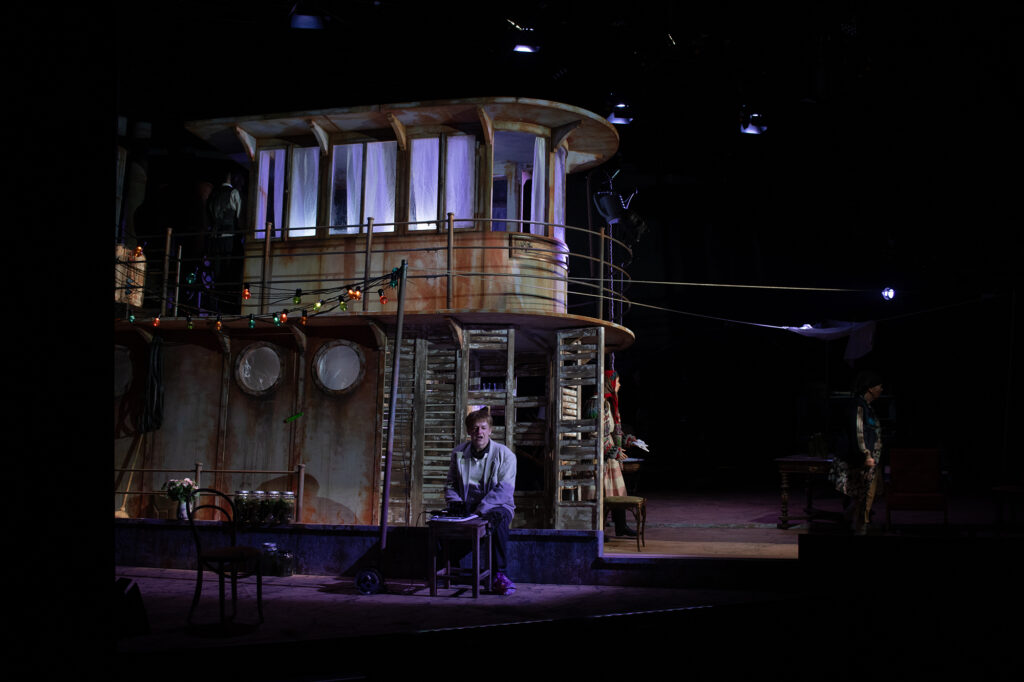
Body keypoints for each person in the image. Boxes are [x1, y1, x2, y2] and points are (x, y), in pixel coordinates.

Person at [445, 406, 517, 595]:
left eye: (484, 428)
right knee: (441, 521)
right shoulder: (458, 453)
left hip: (497, 505)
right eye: (475, 428)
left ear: (490, 430)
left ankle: (499, 575)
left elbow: (504, 490)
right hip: (467, 505)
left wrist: (479, 510)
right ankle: (450, 571)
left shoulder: (505, 455)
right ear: (469, 431)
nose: (480, 432)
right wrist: (456, 503)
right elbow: (450, 483)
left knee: (497, 519)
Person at [588, 370, 648, 537]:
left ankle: (621, 527)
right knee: (601, 494)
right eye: (617, 382)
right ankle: (598, 530)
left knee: (616, 492)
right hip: (599, 456)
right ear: (609, 383)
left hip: (609, 456)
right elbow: (593, 433)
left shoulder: (607, 403)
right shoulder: (595, 404)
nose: (619, 385)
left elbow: (613, 430)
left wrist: (629, 440)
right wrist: (610, 450)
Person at [832, 371, 884, 535]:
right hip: (860, 459)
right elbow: (859, 432)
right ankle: (859, 526)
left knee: (868, 493)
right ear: (870, 388)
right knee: (863, 493)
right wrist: (866, 454)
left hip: (870, 458)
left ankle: (856, 521)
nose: (881, 389)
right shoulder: (859, 406)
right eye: (879, 386)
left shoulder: (867, 407)